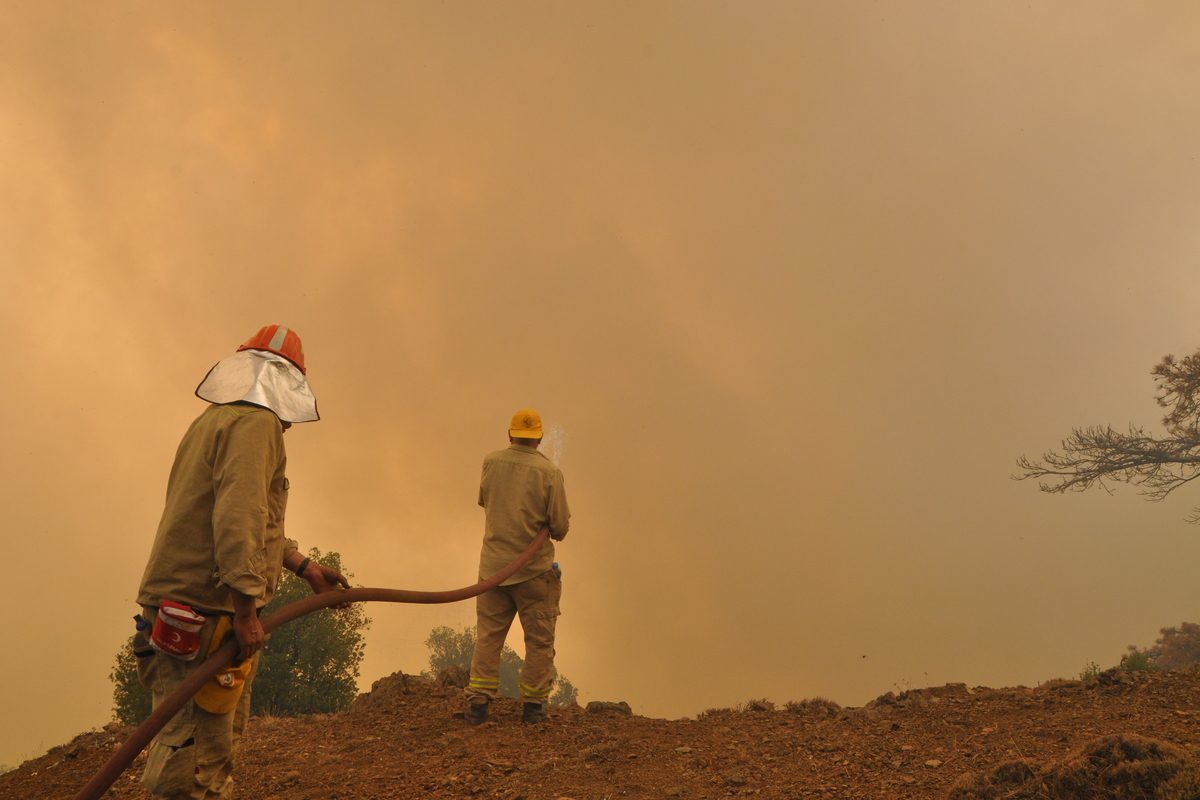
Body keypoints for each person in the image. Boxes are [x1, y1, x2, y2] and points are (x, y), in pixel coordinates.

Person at [131, 325, 348, 799]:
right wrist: (247, 611)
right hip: (206, 614)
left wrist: (302, 565)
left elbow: (248, 516)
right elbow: (238, 517)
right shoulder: (257, 425)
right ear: (286, 383)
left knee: (195, 744)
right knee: (194, 768)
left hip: (189, 608)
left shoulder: (215, 419)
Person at [465, 408, 571, 725]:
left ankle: (478, 705)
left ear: (509, 435)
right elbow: (560, 527)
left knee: (488, 638)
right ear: (538, 438)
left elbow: (485, 501)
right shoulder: (549, 473)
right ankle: (534, 708)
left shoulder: (491, 462)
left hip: (492, 572)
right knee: (538, 641)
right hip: (534, 573)